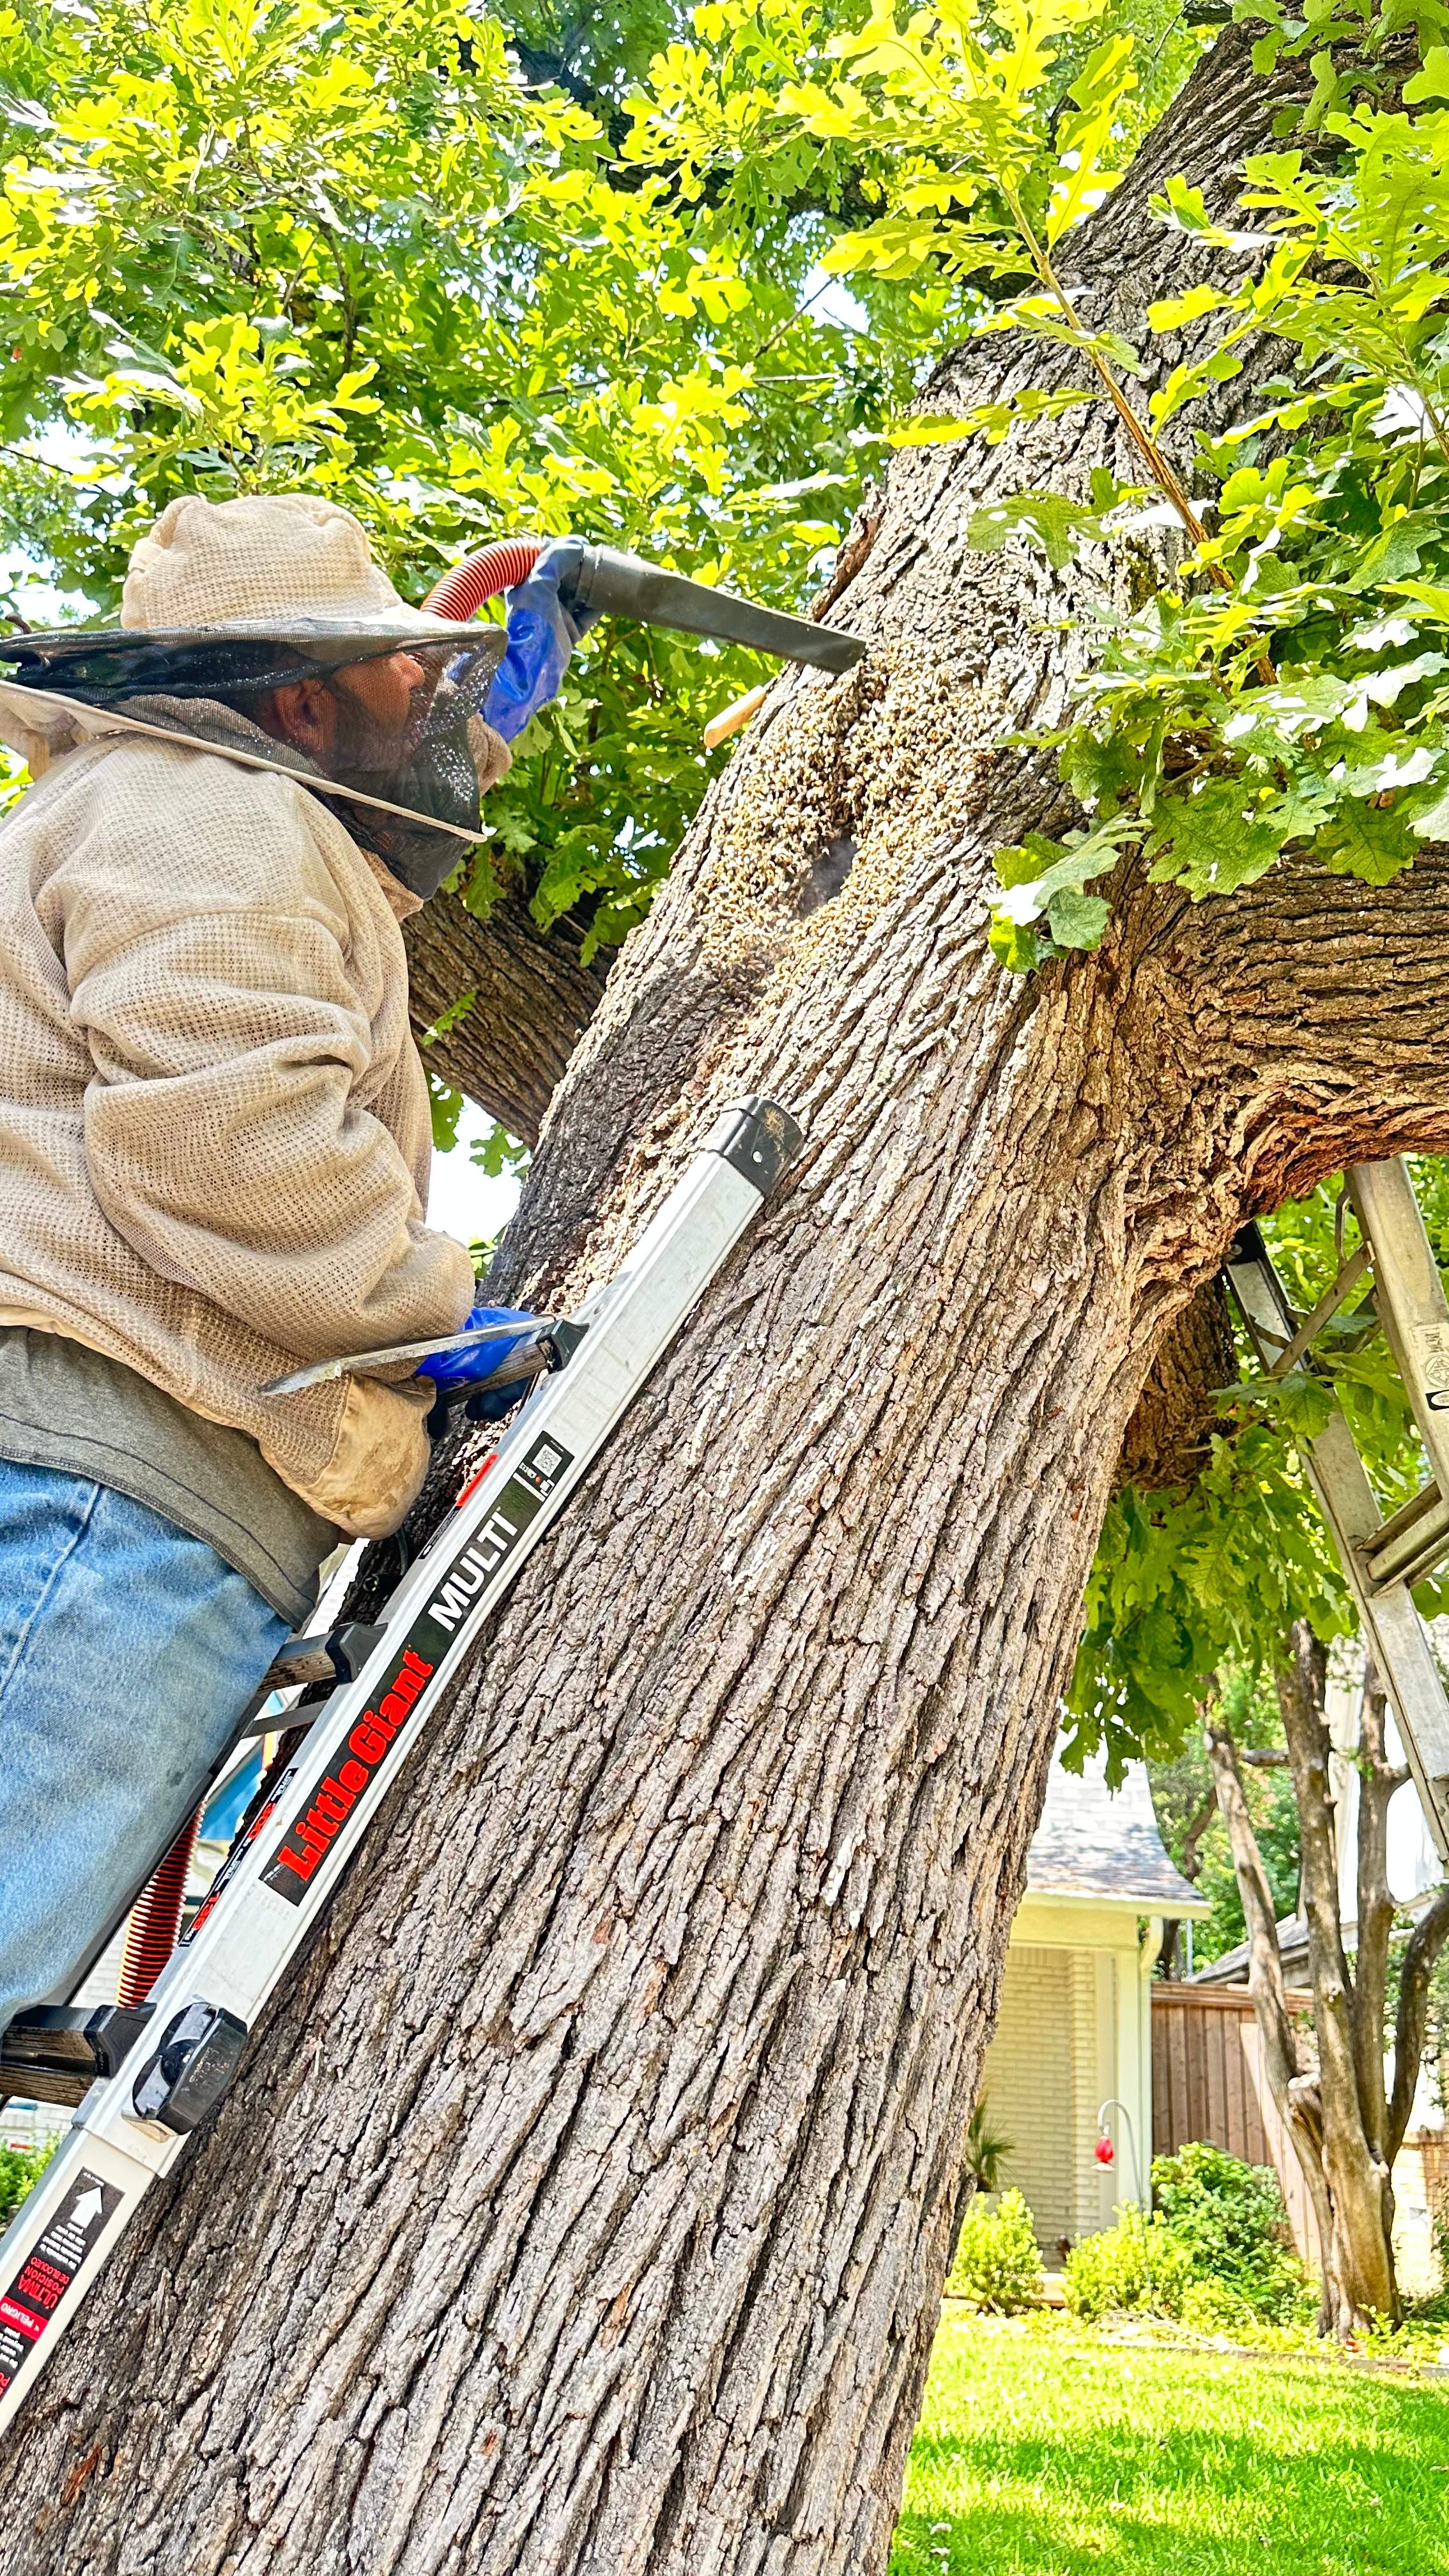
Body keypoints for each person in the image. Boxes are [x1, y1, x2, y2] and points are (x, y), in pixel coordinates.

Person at [0, 491, 586, 2035]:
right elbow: (230, 1140)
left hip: (102, 1486)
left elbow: (337, 886)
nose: (435, 696)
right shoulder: (209, 813)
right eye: (405, 675)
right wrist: (428, 1310)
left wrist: (476, 732)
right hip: (111, 1493)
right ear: (302, 704)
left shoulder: (181, 808)